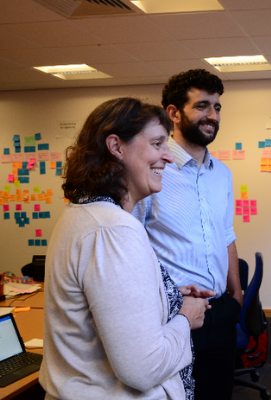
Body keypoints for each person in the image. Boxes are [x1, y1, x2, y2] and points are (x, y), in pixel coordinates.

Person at [39, 97, 213, 400]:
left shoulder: (85, 214)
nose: (168, 158)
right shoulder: (114, 231)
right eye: (157, 143)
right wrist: (185, 317)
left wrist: (167, 296)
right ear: (117, 147)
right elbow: (143, 369)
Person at [133, 69, 242, 400]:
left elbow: (227, 234)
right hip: (176, 312)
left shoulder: (222, 174)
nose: (212, 116)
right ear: (173, 113)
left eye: (217, 107)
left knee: (218, 393)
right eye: (202, 106)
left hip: (221, 311)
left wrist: (236, 295)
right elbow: (131, 239)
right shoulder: (153, 171)